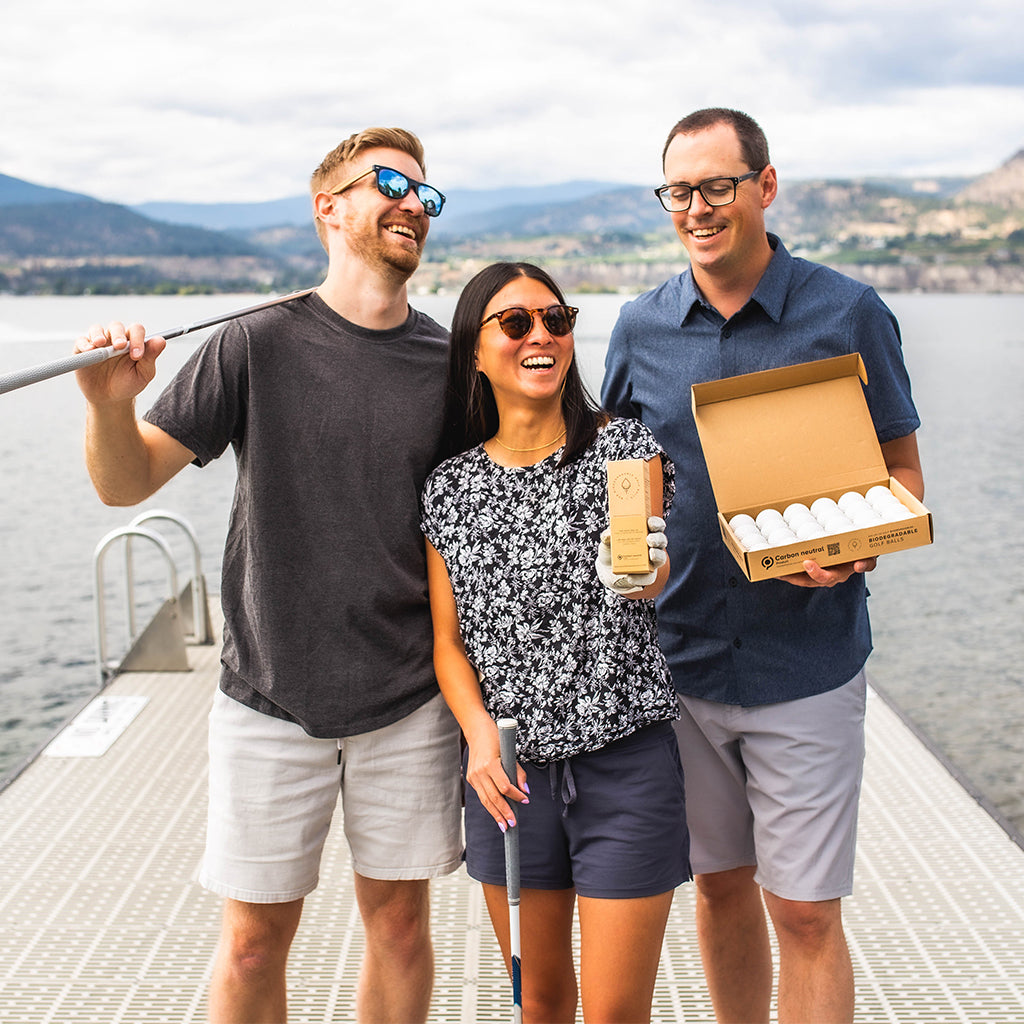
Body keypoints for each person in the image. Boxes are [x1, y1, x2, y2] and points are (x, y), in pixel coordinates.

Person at [73, 127, 463, 1024]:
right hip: (267, 694)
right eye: (391, 184)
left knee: (400, 929)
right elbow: (123, 481)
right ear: (328, 207)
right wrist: (111, 405)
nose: (413, 203)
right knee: (252, 945)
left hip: (408, 697)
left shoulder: (447, 362)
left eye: (425, 194)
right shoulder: (252, 341)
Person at [601, 108, 924, 1024]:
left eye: (717, 186)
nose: (696, 208)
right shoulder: (640, 328)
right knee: (721, 890)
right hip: (684, 662)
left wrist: (852, 549)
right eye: (679, 191)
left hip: (808, 663)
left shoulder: (848, 311)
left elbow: (902, 475)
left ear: (765, 186)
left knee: (808, 914)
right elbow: (625, 475)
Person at [420, 261, 690, 1024]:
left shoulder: (624, 447)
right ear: (475, 350)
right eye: (515, 323)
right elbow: (447, 641)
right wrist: (477, 735)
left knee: (613, 1013)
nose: (541, 336)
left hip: (627, 765)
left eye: (556, 319)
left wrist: (645, 575)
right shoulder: (449, 487)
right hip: (510, 780)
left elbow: (649, 567)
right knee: (538, 1003)